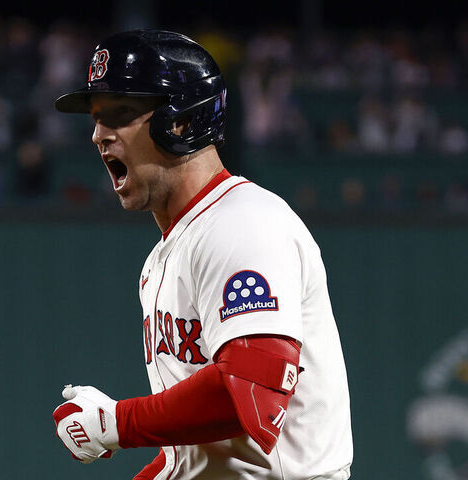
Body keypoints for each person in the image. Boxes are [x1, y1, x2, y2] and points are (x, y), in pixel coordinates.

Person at [51, 29, 353, 480]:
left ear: (181, 123)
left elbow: (250, 394)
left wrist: (117, 423)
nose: (99, 135)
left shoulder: (242, 222)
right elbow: (193, 458)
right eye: (96, 119)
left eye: (120, 114)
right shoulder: (166, 256)